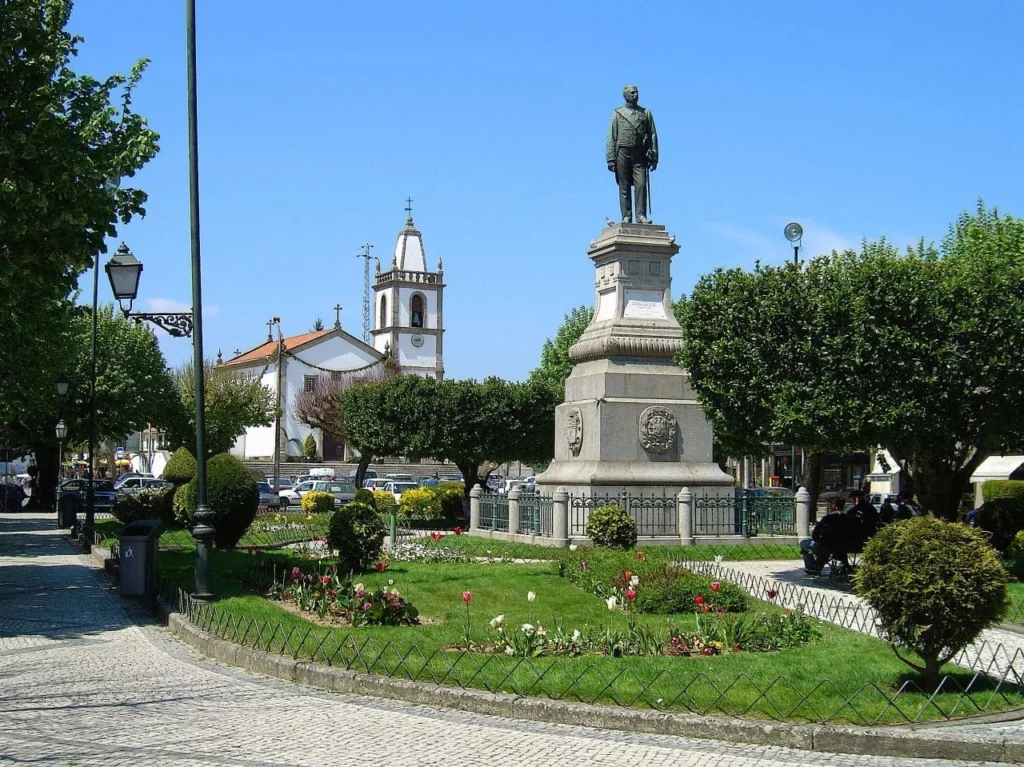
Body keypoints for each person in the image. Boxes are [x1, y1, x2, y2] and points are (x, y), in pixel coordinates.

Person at [606, 84, 658, 224]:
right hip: (622, 151)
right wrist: (610, 158)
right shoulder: (618, 113)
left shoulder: (646, 113)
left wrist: (654, 156)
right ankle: (626, 216)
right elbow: (611, 136)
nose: (636, 95)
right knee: (624, 185)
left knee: (641, 184)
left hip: (639, 152)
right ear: (626, 96)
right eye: (632, 93)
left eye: (636, 92)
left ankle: (641, 215)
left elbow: (652, 134)